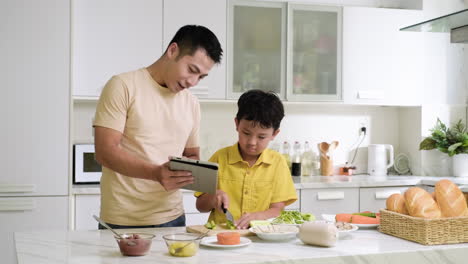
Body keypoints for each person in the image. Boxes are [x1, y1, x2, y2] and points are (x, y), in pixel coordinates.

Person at [93, 25, 223, 229]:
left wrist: (207, 183)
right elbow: (104, 152)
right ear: (173, 51)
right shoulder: (122, 86)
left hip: (174, 219)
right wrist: (155, 173)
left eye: (201, 77)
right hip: (122, 220)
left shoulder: (191, 103)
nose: (193, 82)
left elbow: (191, 156)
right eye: (192, 70)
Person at [195, 90, 298, 229]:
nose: (252, 142)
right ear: (237, 124)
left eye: (261, 137)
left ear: (274, 133)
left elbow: (277, 210)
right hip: (221, 236)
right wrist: (213, 198)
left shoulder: (277, 162)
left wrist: (258, 217)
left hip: (260, 236)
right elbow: (200, 206)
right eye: (246, 133)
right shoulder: (219, 158)